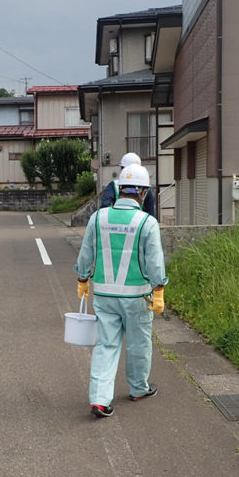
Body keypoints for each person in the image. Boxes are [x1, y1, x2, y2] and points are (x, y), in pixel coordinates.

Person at [74, 164, 168, 418]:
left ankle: (99, 400)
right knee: (138, 344)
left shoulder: (98, 217)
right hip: (137, 296)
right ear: (143, 193)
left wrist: (83, 278)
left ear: (119, 189)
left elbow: (86, 253)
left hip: (104, 294)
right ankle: (138, 388)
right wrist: (159, 288)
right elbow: (155, 262)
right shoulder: (147, 222)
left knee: (106, 345)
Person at [100, 152, 157, 219]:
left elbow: (104, 208)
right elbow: (151, 214)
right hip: (139, 224)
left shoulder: (114, 185)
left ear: (122, 169)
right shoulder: (146, 189)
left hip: (117, 223)